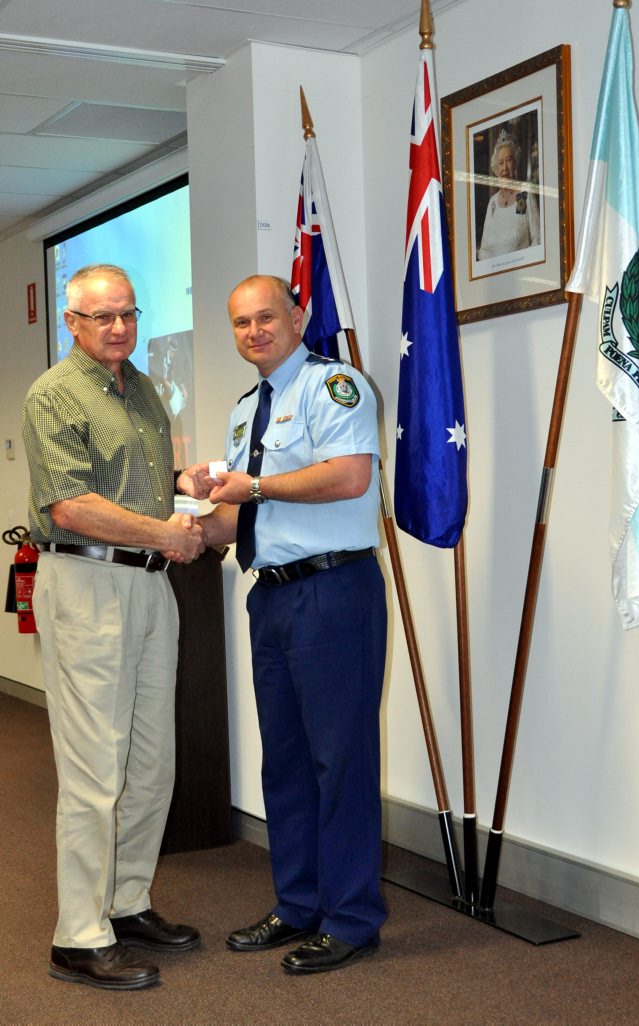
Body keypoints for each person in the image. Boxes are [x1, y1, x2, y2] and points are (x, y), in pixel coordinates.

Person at [177, 274, 387, 974]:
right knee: (288, 762)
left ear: (297, 318)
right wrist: (180, 527)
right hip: (272, 598)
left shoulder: (336, 387)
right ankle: (297, 906)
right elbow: (239, 516)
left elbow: (351, 476)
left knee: (341, 760)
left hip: (334, 592)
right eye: (240, 323)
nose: (254, 331)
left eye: (266, 317)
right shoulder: (246, 413)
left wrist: (255, 486)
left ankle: (351, 918)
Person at [21, 264, 205, 991]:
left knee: (151, 761)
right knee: (97, 767)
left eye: (127, 314)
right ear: (72, 322)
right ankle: (79, 934)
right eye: (102, 317)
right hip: (89, 582)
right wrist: (164, 532)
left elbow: (145, 482)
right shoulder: (53, 394)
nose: (119, 327)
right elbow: (69, 506)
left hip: (151, 588)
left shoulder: (144, 389)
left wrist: (188, 487)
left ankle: (127, 903)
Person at [477, 128, 541, 261]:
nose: (505, 168)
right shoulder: (493, 202)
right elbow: (483, 250)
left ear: (516, 162)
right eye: (500, 163)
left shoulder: (524, 193)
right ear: (496, 169)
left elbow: (537, 239)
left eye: (509, 160)